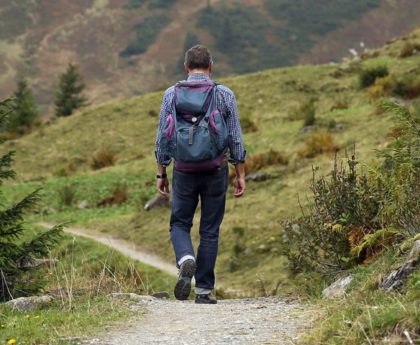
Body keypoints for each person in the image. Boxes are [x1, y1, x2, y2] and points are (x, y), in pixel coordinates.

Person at [154, 45, 246, 304]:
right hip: (216, 168)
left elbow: (163, 136)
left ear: (186, 67)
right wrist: (239, 173)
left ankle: (185, 258)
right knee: (210, 230)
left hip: (183, 169)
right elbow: (236, 137)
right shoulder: (224, 94)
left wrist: (161, 172)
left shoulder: (171, 94)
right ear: (211, 66)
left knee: (179, 223)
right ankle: (204, 290)